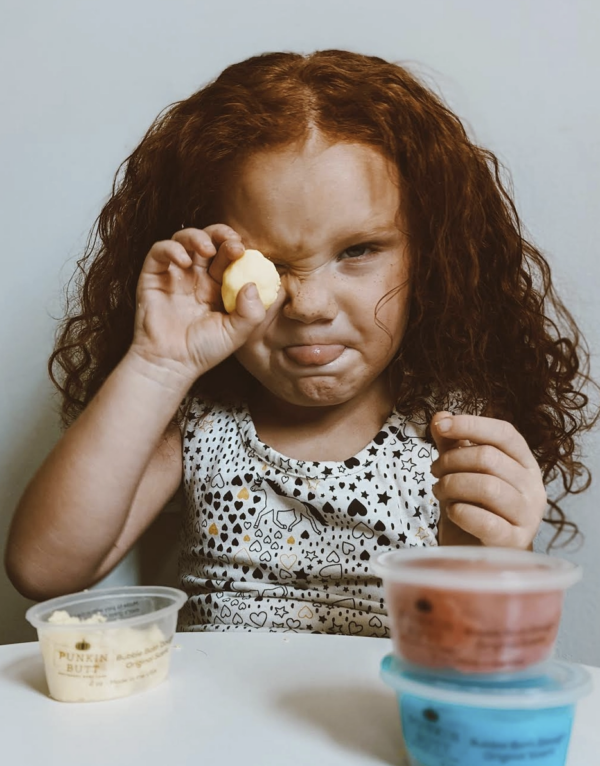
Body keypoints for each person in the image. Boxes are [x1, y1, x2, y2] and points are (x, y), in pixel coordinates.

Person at [5, 50, 597, 636]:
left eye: (358, 252)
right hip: (217, 723)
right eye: (266, 263)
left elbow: (480, 658)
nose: (308, 307)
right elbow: (44, 570)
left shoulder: (452, 425)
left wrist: (488, 562)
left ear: (429, 257)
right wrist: (158, 363)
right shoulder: (201, 419)